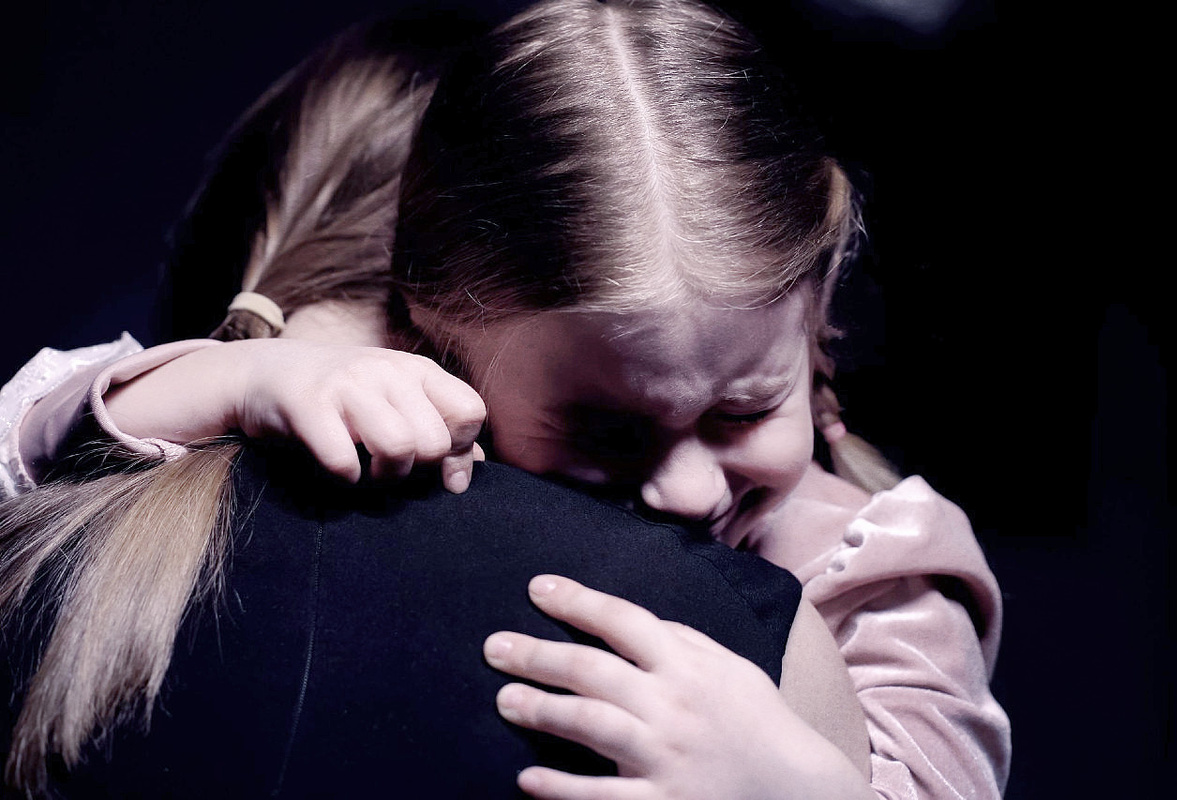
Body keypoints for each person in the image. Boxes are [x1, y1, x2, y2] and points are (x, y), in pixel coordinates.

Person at [2, 1, 1009, 797]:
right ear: (438, 337)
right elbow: (15, 452)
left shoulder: (883, 564)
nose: (690, 489)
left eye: (743, 411)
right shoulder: (389, 394)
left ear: (815, 323)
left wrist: (791, 787)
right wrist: (245, 378)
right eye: (608, 431)